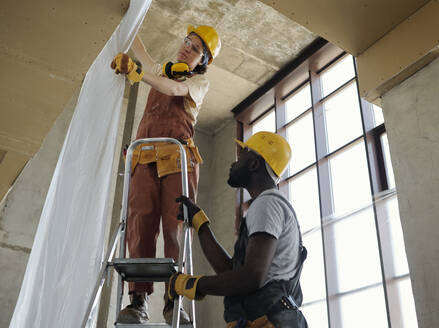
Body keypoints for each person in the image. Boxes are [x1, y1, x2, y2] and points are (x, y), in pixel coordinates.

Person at [110, 25, 221, 324]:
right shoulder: (162, 70)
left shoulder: (199, 84)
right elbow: (142, 53)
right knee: (140, 223)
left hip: (177, 161)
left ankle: (174, 304)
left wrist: (136, 73)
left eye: (196, 48)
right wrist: (132, 17)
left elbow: (171, 89)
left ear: (203, 61)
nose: (187, 47)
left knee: (175, 227)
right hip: (144, 157)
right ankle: (137, 301)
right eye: (187, 42)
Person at [170, 131, 308, 328]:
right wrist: (200, 223)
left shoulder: (267, 204)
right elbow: (232, 273)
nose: (233, 163)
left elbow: (251, 277)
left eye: (241, 156)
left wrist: (193, 284)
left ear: (254, 164)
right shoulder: (267, 206)